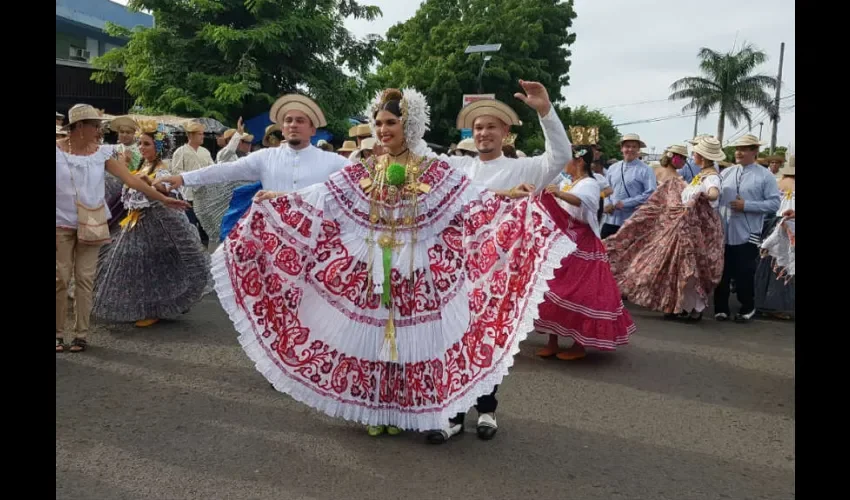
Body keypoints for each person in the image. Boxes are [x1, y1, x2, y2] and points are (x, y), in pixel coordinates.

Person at [204, 87, 575, 440]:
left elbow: (470, 195)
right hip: (374, 267)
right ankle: (376, 411)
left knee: (412, 342)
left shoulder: (433, 166)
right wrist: (283, 197)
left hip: (417, 269)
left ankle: (415, 411)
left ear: (408, 127)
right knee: (375, 341)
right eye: (379, 123)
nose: (383, 130)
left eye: (391, 124)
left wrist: (510, 194)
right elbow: (327, 194)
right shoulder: (367, 166)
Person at [425, 81, 573, 444]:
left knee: (490, 342)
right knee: (452, 342)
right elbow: (416, 155)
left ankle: (487, 409)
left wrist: (545, 111)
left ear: (506, 132)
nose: (483, 133)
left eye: (491, 126)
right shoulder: (457, 167)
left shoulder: (525, 170)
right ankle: (453, 414)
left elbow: (561, 155)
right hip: (455, 272)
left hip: (501, 274)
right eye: (477, 127)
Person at [56, 104, 189, 353]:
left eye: (100, 126)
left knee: (85, 279)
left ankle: (80, 334)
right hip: (60, 224)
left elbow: (131, 180)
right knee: (60, 279)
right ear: (79, 127)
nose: (99, 130)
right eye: (95, 126)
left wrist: (163, 198)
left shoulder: (103, 154)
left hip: (93, 223)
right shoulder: (57, 151)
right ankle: (58, 332)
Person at [155, 94, 350, 237]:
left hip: (316, 244)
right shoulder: (265, 157)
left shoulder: (333, 162)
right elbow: (224, 171)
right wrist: (182, 178)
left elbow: (362, 182)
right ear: (282, 129)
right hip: (273, 241)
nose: (293, 125)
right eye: (288, 121)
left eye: (300, 121)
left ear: (312, 129)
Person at [93, 120, 211, 327]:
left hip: (157, 226)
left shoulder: (163, 169)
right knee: (133, 265)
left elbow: (168, 190)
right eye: (140, 144)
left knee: (149, 266)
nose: (141, 148)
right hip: (135, 225)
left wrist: (152, 185)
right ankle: (142, 305)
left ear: (158, 147)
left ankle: (154, 308)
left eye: (146, 144)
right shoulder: (142, 166)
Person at [534, 139, 635, 360]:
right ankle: (553, 340)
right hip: (564, 241)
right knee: (551, 288)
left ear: (578, 161)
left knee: (581, 293)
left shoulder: (588, 183)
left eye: (567, 160)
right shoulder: (569, 182)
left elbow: (584, 202)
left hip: (583, 244)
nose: (564, 165)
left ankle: (579, 344)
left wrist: (558, 194)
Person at [604, 137, 726, 320]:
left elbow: (714, 192)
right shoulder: (700, 175)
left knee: (690, 267)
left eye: (694, 154)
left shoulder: (710, 177)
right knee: (679, 265)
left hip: (696, 228)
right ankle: (682, 306)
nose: (692, 157)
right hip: (683, 225)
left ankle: (692, 308)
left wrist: (706, 194)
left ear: (702, 156)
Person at [714, 134, 781, 322]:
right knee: (722, 271)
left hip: (748, 232)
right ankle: (721, 308)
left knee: (744, 272)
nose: (738, 152)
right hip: (724, 231)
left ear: (754, 151)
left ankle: (747, 307)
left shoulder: (765, 175)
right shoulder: (727, 173)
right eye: (737, 148)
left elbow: (774, 204)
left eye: (743, 149)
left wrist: (748, 205)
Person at [755, 153, 795, 319]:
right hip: (789, 227)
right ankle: (778, 306)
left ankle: (761, 302)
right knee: (785, 266)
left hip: (773, 224)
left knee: (768, 264)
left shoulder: (778, 183)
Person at [601, 133, 656, 238]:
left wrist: (626, 203)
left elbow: (651, 194)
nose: (630, 149)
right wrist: (607, 203)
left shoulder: (645, 170)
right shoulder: (613, 168)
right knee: (604, 250)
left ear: (638, 149)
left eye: (634, 147)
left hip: (632, 221)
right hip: (610, 219)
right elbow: (606, 190)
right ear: (621, 148)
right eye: (627, 146)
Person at [171, 120, 215, 246]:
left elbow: (212, 169)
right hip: (188, 195)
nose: (202, 136)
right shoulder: (181, 152)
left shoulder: (205, 152)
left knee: (205, 226)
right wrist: (192, 176)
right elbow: (176, 171)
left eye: (202, 134)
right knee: (190, 225)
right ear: (191, 135)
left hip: (204, 195)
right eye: (199, 134)